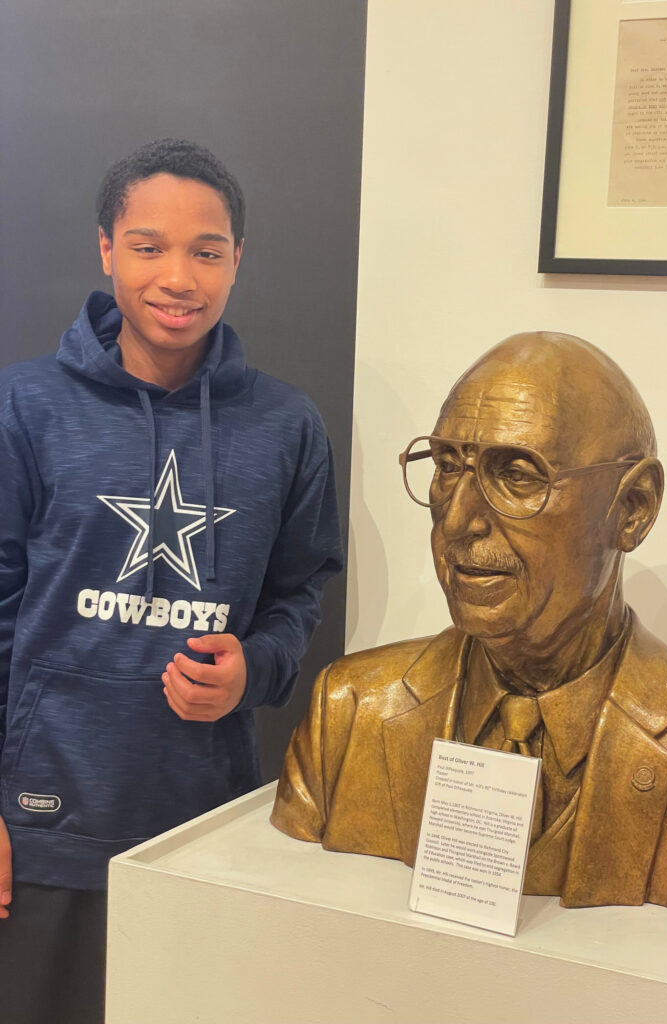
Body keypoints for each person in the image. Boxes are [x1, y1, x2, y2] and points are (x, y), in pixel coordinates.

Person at [0, 138, 343, 1022]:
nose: (178, 276)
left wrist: (253, 673)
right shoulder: (24, 408)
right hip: (40, 833)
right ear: (107, 250)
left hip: (203, 828)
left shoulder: (286, 426)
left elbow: (300, 595)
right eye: (149, 247)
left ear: (239, 261)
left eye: (207, 250)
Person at [272, 331, 667, 923]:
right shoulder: (348, 714)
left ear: (632, 508)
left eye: (518, 475)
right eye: (448, 467)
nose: (457, 520)